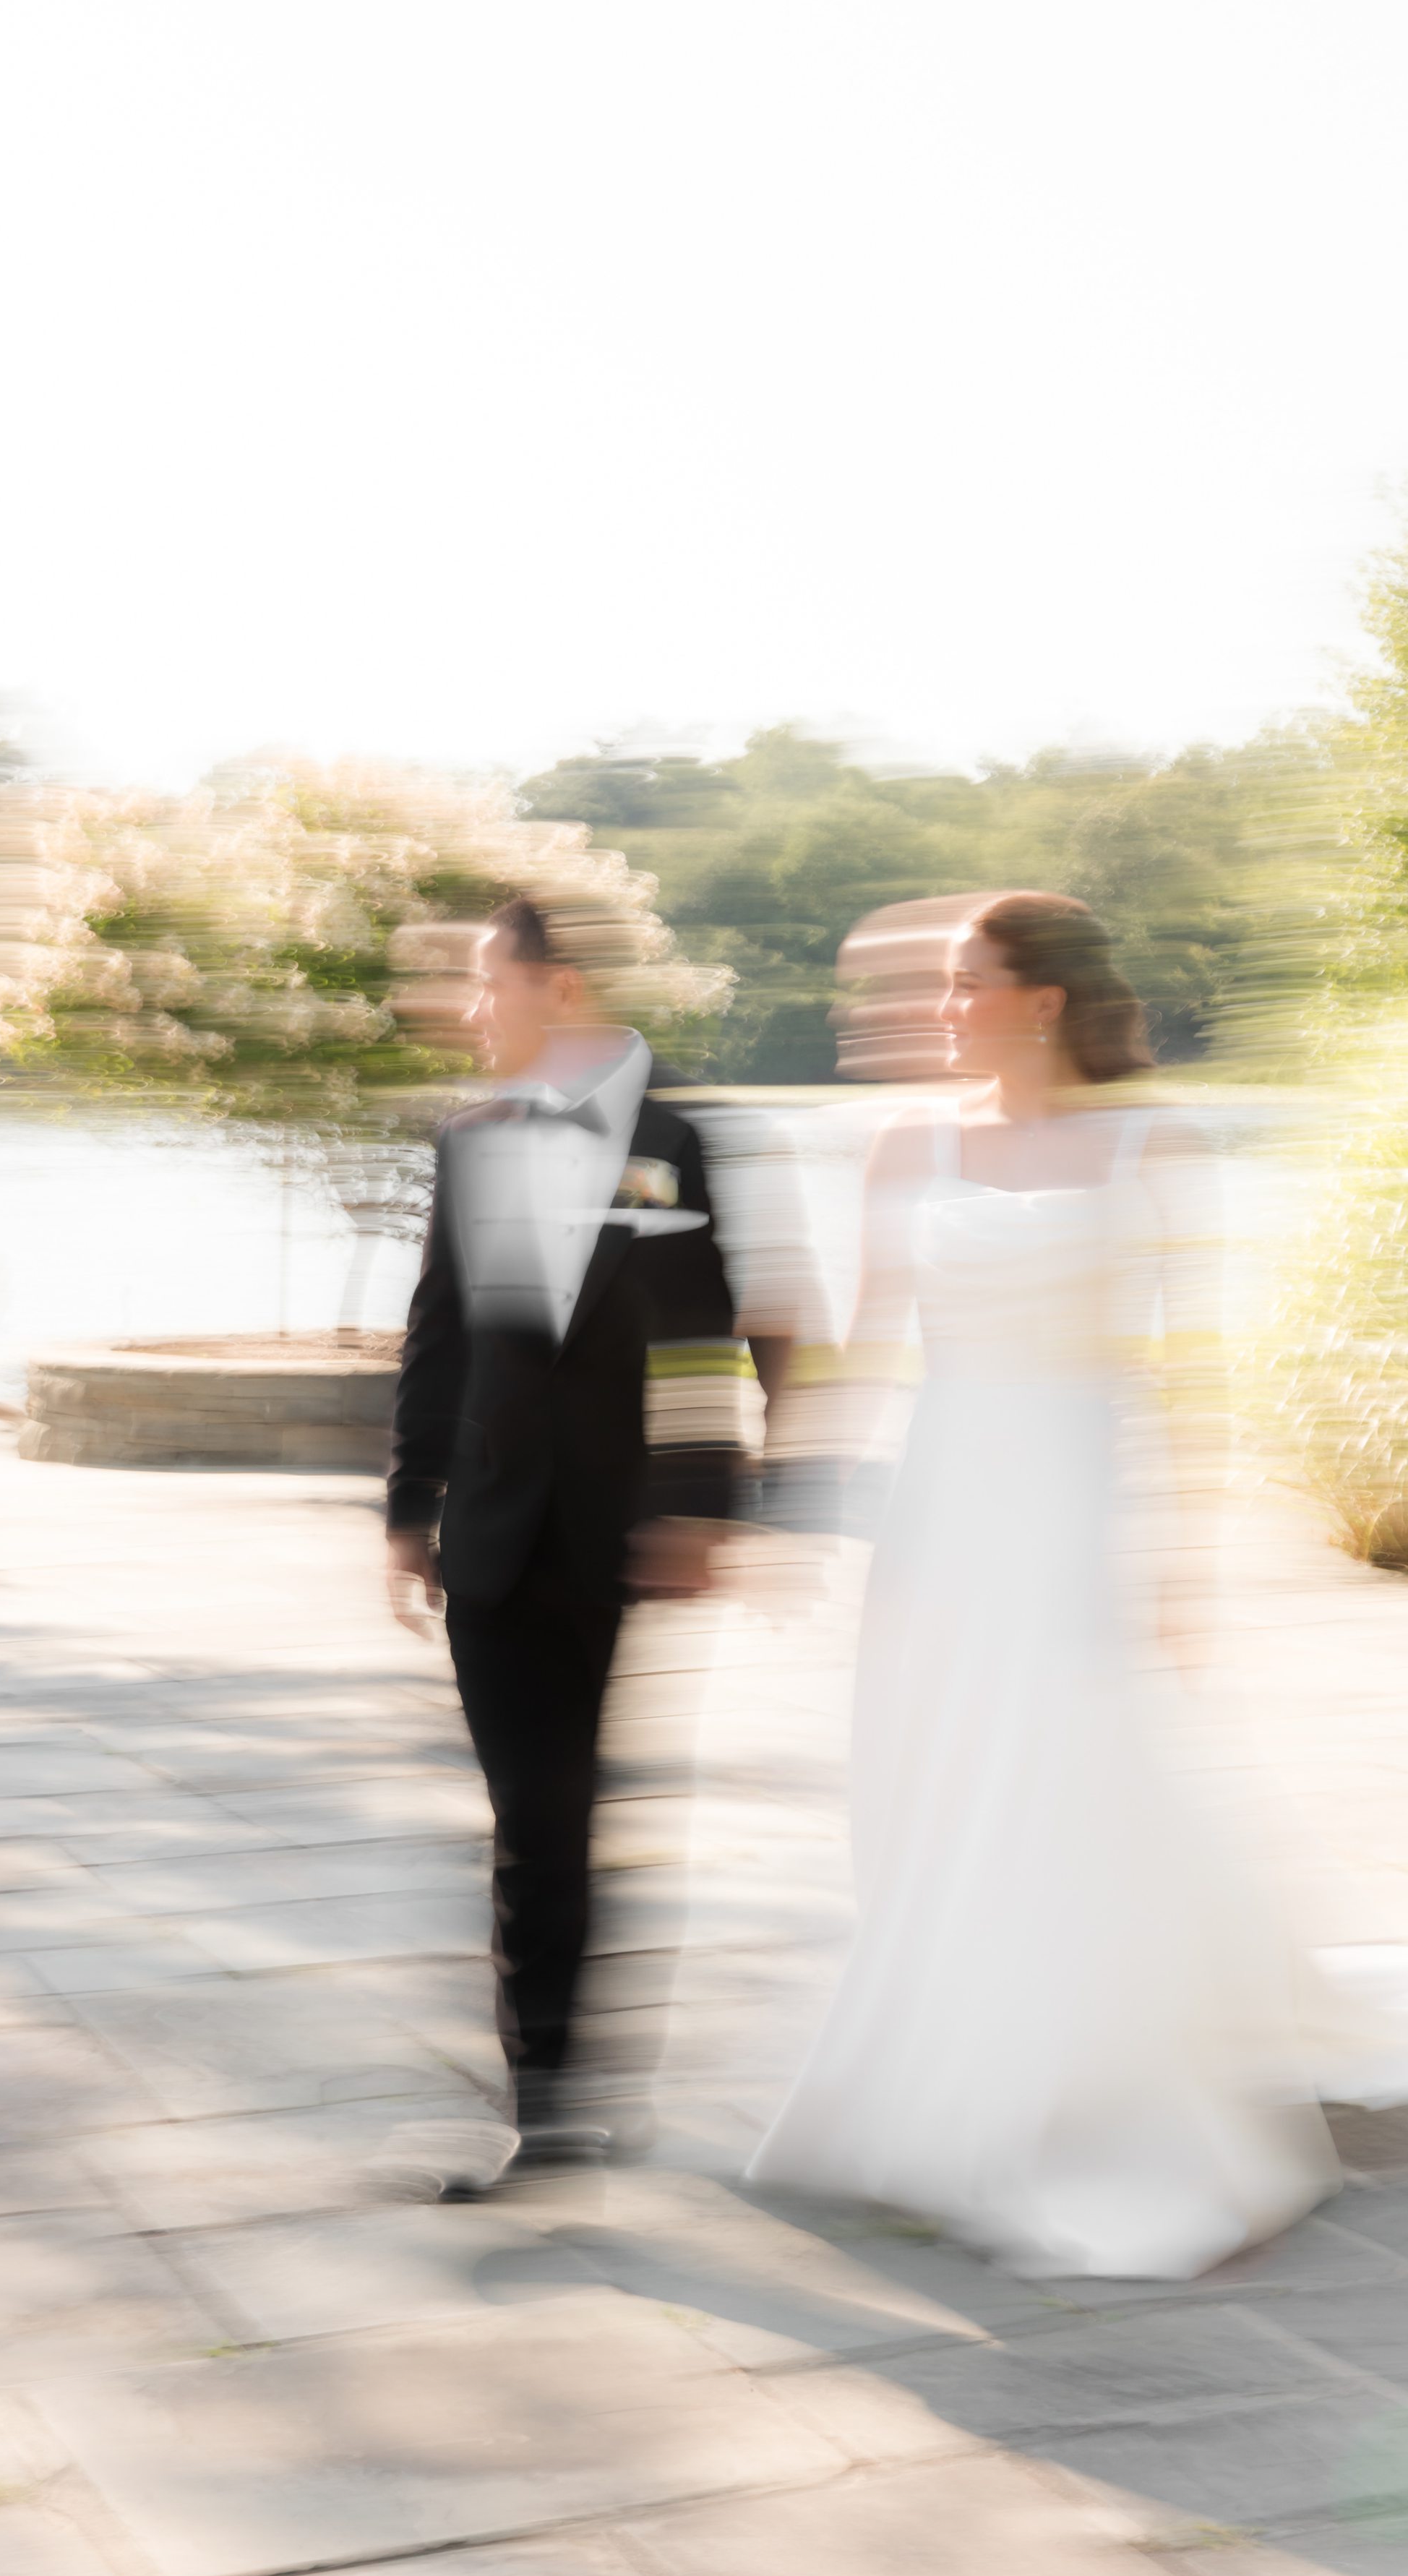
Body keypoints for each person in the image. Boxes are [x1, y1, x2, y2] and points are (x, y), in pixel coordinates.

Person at [749, 889, 1363, 2280]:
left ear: (1044, 998)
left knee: (1072, 1768)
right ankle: (952, 2061)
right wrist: (799, 1510)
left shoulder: (1159, 1140)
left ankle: (1090, 2078)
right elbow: (863, 1347)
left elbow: (1189, 1380)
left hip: (1073, 1496)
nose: (945, 1003)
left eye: (971, 981)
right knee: (946, 1773)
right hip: (946, 1501)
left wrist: (1177, 1559)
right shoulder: (906, 1144)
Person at [386, 894, 751, 2183]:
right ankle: (548, 2100)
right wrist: (404, 1508)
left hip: (612, 1533)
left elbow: (709, 1331)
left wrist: (703, 1503)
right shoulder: (471, 1141)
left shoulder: (672, 1140)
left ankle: (559, 2100)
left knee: (566, 1810)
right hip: (485, 1531)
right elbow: (438, 1331)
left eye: (488, 981)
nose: (470, 1007)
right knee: (524, 1814)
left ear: (562, 988)